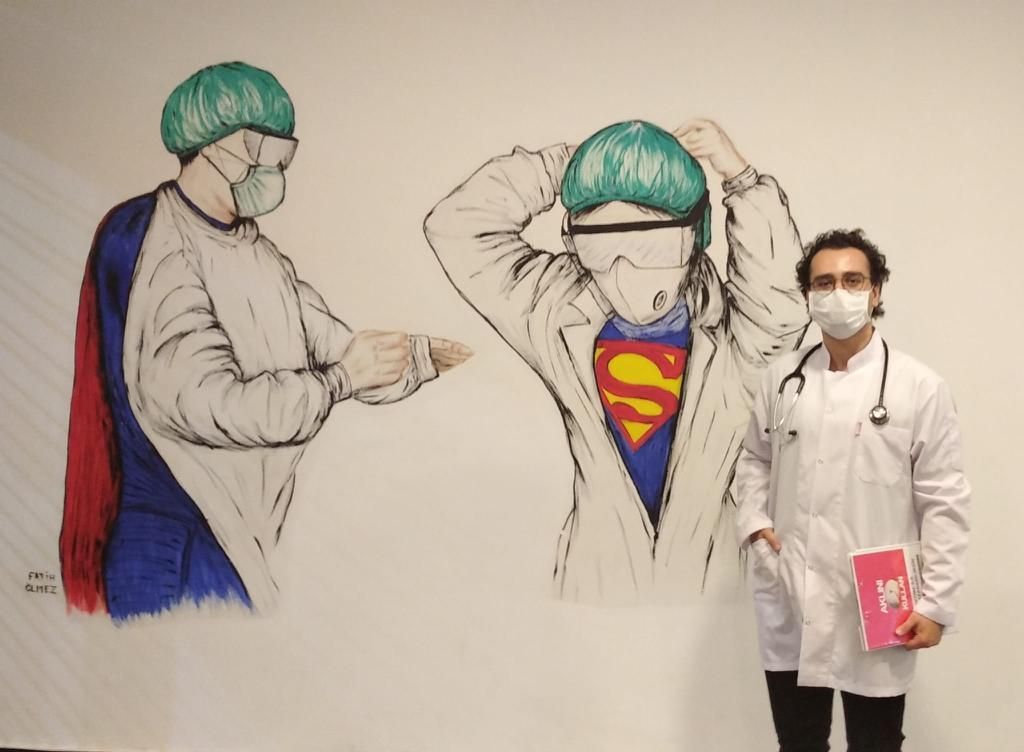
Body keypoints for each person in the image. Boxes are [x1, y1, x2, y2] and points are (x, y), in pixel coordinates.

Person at [59, 61, 471, 621]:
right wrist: (339, 380)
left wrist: (422, 358)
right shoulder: (159, 242)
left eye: (283, 152)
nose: (274, 167)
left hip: (241, 543)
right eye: (261, 147)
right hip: (174, 542)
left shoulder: (260, 255)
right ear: (210, 143)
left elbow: (331, 343)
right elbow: (210, 402)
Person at [425, 119, 808, 602]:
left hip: (710, 591)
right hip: (591, 587)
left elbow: (782, 306)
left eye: (649, 244)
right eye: (598, 245)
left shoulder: (735, 340)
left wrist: (744, 182)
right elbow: (457, 227)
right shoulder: (557, 312)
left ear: (696, 233)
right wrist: (571, 163)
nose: (623, 271)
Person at [735, 229, 971, 750]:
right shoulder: (782, 380)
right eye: (824, 282)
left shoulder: (919, 387)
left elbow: (945, 501)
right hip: (792, 589)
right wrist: (755, 523)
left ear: (875, 291)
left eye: (852, 280)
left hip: (878, 603)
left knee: (876, 742)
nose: (837, 292)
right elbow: (755, 458)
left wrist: (936, 604)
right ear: (808, 295)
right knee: (798, 741)